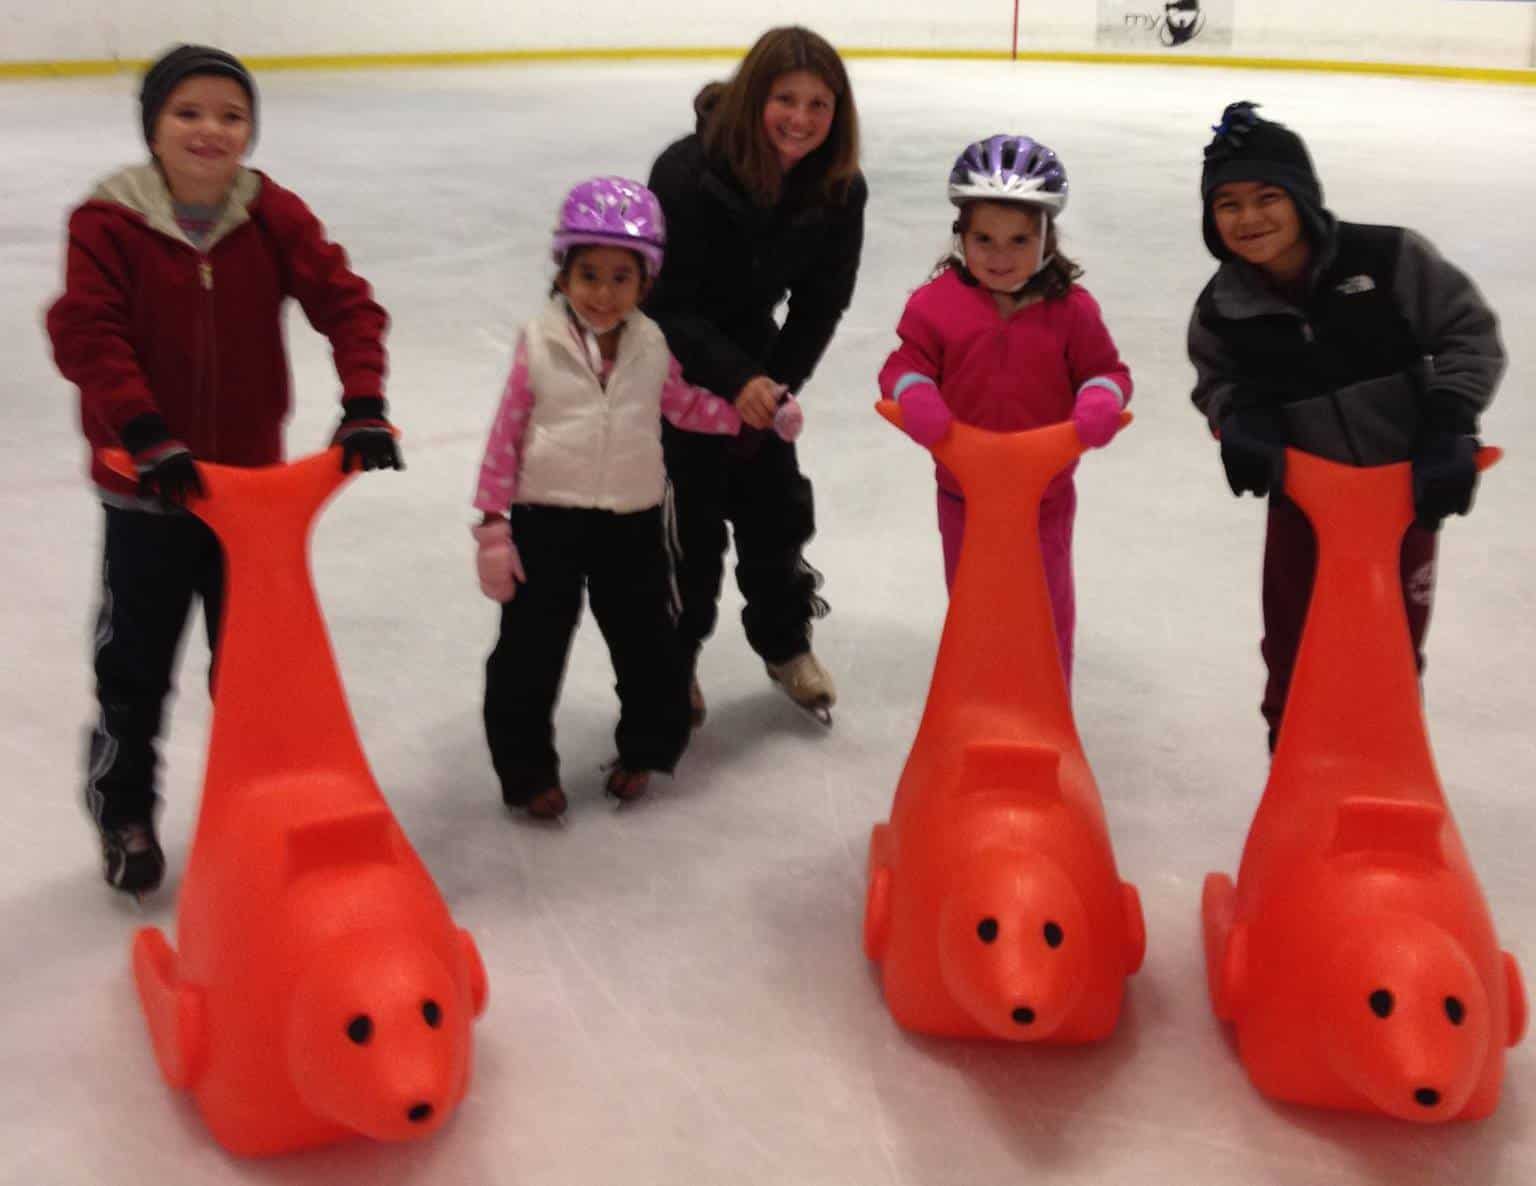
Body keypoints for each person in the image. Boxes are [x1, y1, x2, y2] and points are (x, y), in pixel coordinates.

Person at [46, 44, 400, 896]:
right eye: (189, 113)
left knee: (255, 673)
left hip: (250, 500)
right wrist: (146, 431)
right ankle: (124, 809)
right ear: (154, 126)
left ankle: (259, 808)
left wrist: (363, 400)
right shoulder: (108, 221)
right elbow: (88, 334)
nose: (211, 131)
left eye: (231, 115)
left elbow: (347, 300)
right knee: (135, 664)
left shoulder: (267, 213)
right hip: (145, 491)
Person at [472, 177, 803, 820]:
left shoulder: (653, 344)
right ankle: (527, 770)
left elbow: (684, 407)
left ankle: (644, 750)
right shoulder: (538, 343)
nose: (602, 292)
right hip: (546, 522)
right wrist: (492, 525)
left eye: (620, 277)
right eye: (588, 273)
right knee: (528, 656)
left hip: (633, 523)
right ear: (563, 274)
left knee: (651, 647)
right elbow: (505, 433)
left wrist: (753, 416)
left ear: (645, 281)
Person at [1187, 101, 1505, 750]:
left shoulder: (1387, 258)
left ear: (1303, 197)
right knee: (1293, 650)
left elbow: (1467, 333)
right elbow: (1218, 380)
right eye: (1228, 205)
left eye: (1267, 196)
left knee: (1388, 649)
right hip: (1304, 506)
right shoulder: (1224, 306)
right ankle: (1292, 782)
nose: (1249, 219)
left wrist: (1449, 421)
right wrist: (1240, 419)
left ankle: (1389, 776)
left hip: (1402, 502)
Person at [644, 25, 867, 725]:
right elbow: (664, 300)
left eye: (819, 104)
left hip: (760, 370)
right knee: (690, 539)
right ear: (752, 98)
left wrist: (772, 388)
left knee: (776, 523)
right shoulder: (686, 172)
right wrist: (733, 379)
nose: (801, 119)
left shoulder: (838, 188)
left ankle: (785, 645)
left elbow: (822, 301)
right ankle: (674, 663)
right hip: (677, 369)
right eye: (785, 99)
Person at [878, 134, 1133, 683]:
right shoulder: (935, 305)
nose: (1000, 256)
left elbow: (1108, 371)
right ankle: (978, 698)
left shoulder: (1072, 311)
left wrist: (1099, 399)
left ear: (1047, 238)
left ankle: (1046, 703)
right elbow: (902, 364)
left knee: (1044, 607)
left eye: (1019, 239)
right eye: (984, 239)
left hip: (1044, 498)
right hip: (962, 495)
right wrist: (916, 391)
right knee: (975, 603)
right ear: (960, 237)